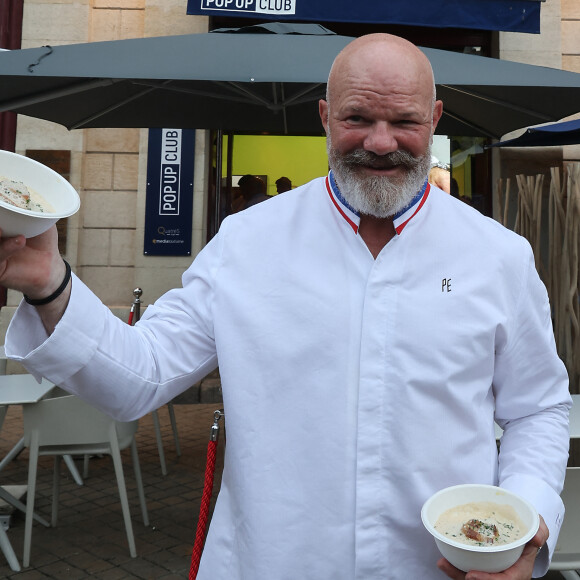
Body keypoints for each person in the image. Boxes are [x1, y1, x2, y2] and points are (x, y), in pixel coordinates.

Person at [0, 33, 570, 580]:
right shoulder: (247, 241)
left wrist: (524, 520)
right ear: (324, 117)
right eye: (358, 119)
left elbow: (537, 408)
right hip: (272, 562)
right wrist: (50, 283)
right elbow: (139, 374)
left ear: (435, 120)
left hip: (437, 570)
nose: (379, 141)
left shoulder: (498, 256)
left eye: (404, 122)